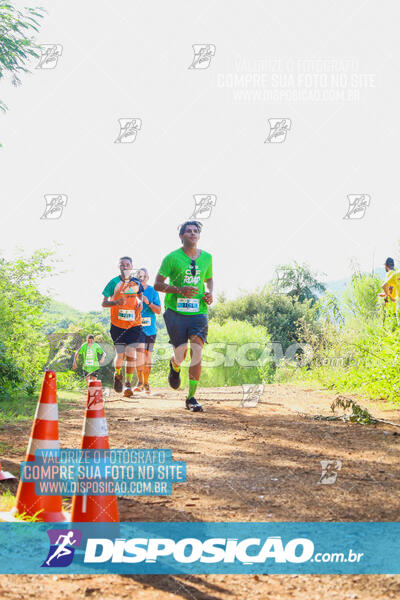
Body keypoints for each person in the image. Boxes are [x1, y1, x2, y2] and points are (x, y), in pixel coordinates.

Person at [154, 221, 213, 412]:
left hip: (199, 312)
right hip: (176, 312)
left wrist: (210, 292)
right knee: (181, 354)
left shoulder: (207, 258)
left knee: (197, 350)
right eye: (189, 231)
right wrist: (179, 289)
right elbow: (157, 284)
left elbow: (209, 278)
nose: (193, 234)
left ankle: (191, 398)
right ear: (181, 236)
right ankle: (174, 365)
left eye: (196, 231)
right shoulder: (171, 258)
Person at [101, 256, 145, 397]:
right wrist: (115, 303)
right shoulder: (113, 283)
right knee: (121, 354)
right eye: (122, 265)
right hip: (117, 325)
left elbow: (140, 295)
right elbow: (104, 303)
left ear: (131, 267)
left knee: (131, 354)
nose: (125, 267)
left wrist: (140, 302)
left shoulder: (136, 282)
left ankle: (128, 385)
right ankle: (117, 375)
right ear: (119, 267)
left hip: (134, 324)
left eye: (127, 264)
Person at [137, 268, 161, 394]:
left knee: (147, 357)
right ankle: (139, 382)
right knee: (139, 355)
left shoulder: (153, 291)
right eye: (139, 276)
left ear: (148, 277)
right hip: (137, 328)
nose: (142, 278)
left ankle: (146, 382)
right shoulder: (133, 291)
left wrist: (148, 302)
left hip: (151, 329)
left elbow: (158, 310)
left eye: (144, 276)